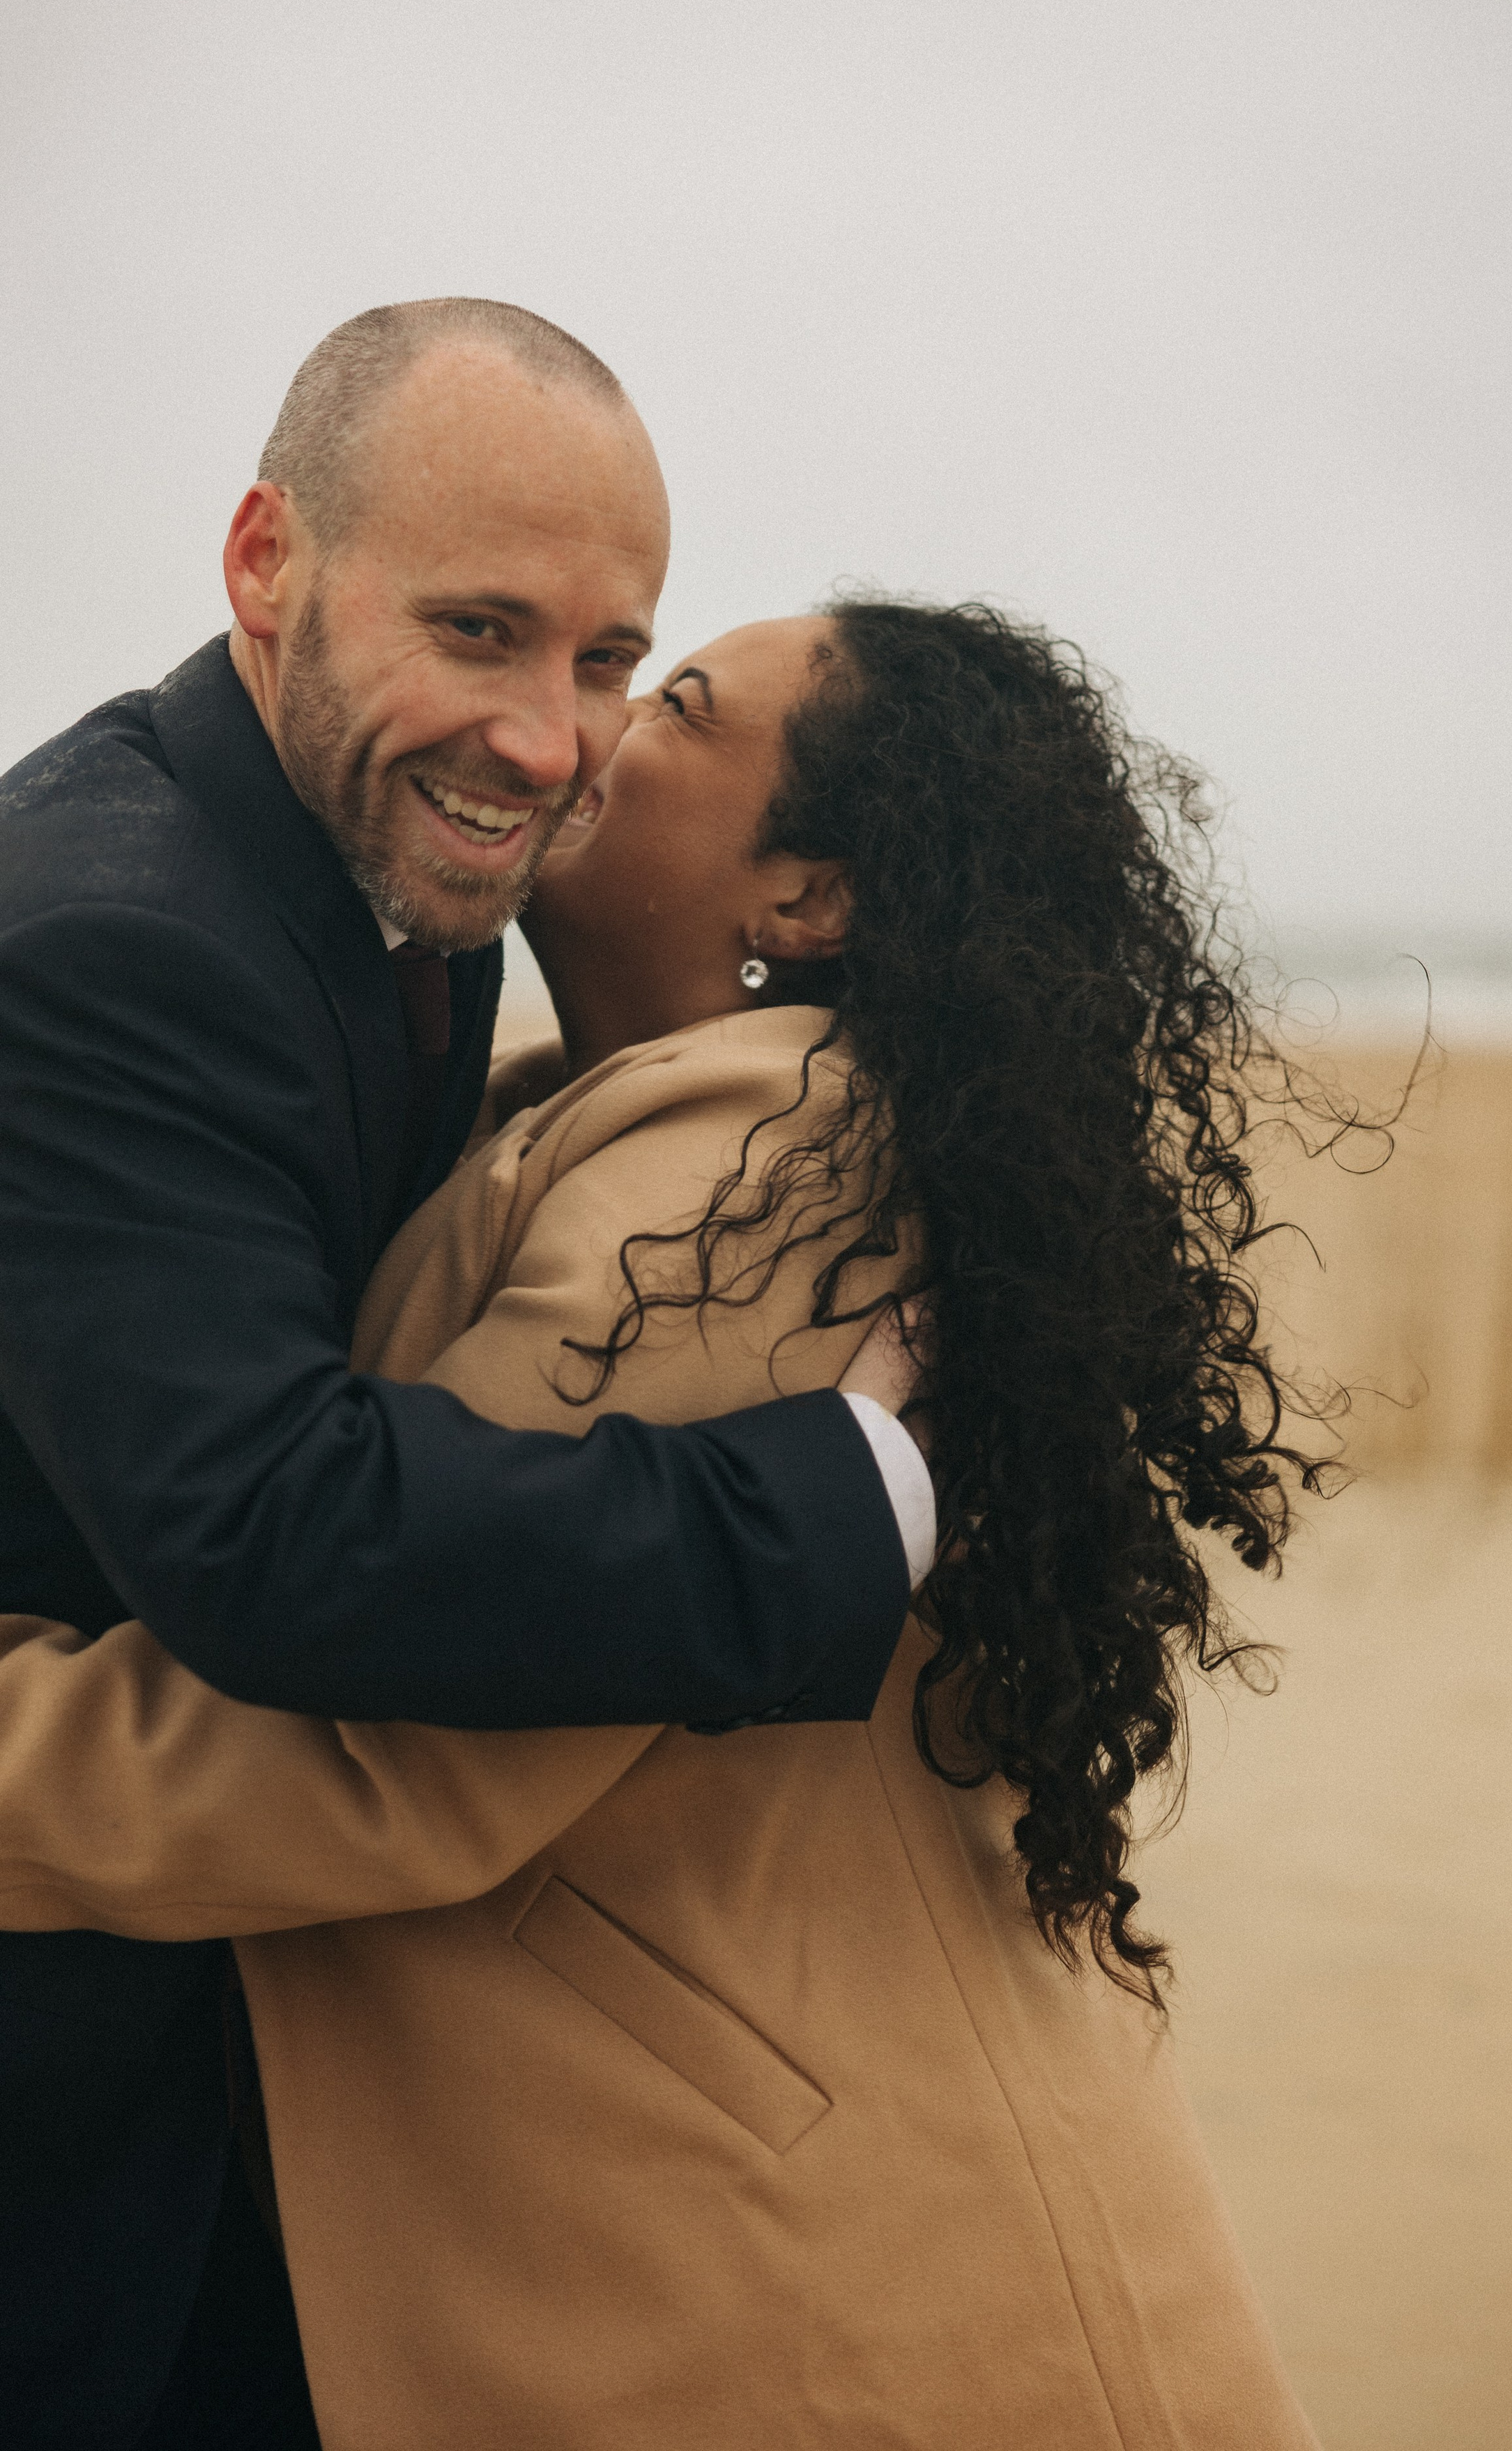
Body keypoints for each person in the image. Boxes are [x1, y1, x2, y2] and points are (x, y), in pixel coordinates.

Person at [0, 603, 1322, 2448]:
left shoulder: (741, 1198)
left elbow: (403, 1737)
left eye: (663, 700)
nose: (572, 743)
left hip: (807, 2289)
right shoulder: (654, 1141)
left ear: (807, 896)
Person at [0, 307, 928, 2448]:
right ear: (266, 564)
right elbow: (275, 1535)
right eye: (483, 630)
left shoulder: (393, 875)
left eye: (611, 663)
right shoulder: (112, 933)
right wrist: (854, 1498)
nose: (549, 740)